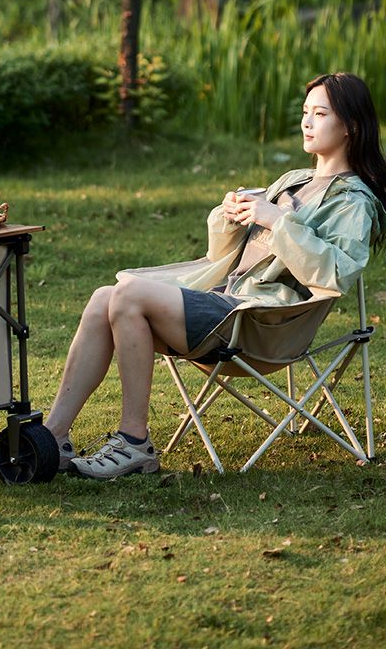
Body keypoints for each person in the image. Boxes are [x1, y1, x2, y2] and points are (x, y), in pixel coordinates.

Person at [44, 72, 386, 480]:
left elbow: (337, 273)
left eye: (321, 114)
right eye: (305, 112)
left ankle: (134, 442)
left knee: (127, 296)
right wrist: (230, 215)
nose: (307, 123)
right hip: (227, 303)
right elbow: (223, 257)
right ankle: (52, 438)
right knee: (106, 296)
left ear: (350, 126)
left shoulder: (353, 202)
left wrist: (277, 221)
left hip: (261, 324)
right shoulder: (294, 181)